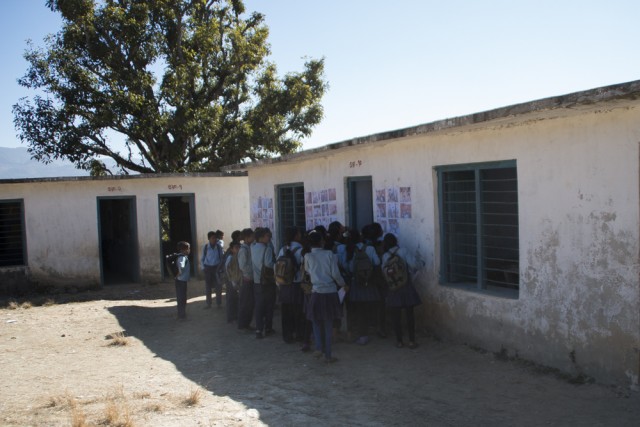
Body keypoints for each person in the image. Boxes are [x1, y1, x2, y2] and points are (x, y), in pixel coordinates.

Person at [304, 230, 347, 363]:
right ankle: (328, 354)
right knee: (328, 324)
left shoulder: (308, 256)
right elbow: (335, 273)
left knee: (316, 322)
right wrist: (343, 284)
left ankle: (318, 347)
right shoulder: (329, 254)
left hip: (316, 292)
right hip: (330, 292)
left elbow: (308, 272)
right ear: (322, 241)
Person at [381, 233, 422, 349]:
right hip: (406, 285)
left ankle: (399, 341)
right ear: (396, 241)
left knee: (396, 317)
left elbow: (383, 272)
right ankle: (412, 341)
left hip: (393, 287)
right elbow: (414, 264)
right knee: (410, 315)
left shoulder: (385, 256)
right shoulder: (403, 251)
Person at [347, 228, 382, 345]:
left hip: (357, 283)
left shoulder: (351, 249)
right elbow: (377, 263)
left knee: (360, 310)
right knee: (372, 307)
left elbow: (350, 268)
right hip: (370, 282)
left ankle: (363, 335)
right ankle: (375, 328)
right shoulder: (370, 249)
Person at [277, 226, 304, 343]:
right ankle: (299, 334)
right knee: (298, 311)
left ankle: (287, 335)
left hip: (284, 285)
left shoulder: (282, 249)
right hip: (297, 284)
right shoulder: (301, 250)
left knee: (286, 312)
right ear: (296, 236)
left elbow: (276, 267)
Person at [251, 227, 276, 339]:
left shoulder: (252, 247)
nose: (269, 237)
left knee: (259, 305)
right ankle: (268, 328)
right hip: (267, 280)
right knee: (269, 305)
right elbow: (269, 264)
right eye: (267, 236)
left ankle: (258, 329)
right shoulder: (267, 249)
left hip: (257, 280)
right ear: (261, 237)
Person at [237, 228, 255, 331]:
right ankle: (242, 325)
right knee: (245, 304)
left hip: (250, 279)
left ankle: (246, 324)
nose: (253, 238)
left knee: (249, 304)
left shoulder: (249, 247)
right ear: (247, 238)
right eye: (252, 236)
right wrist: (251, 272)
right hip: (247, 280)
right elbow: (243, 266)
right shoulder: (243, 250)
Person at [201, 231, 224, 309]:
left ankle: (218, 303)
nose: (214, 239)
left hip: (217, 268)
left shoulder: (218, 247)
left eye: (215, 238)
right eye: (212, 238)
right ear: (209, 239)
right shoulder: (205, 247)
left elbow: (221, 258)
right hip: (208, 268)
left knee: (218, 287)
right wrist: (203, 268)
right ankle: (209, 304)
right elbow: (202, 259)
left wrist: (220, 268)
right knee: (208, 287)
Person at [224, 240, 242, 323]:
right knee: (231, 299)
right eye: (236, 248)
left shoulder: (238, 257)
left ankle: (236, 316)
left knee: (236, 299)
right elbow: (228, 270)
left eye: (239, 247)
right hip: (231, 281)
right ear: (231, 249)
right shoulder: (230, 258)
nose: (238, 249)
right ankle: (231, 317)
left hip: (237, 281)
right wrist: (232, 281)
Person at [174, 241, 191, 320]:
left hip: (180, 280)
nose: (189, 250)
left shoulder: (182, 257)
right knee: (182, 298)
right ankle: (182, 315)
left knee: (180, 298)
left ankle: (181, 314)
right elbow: (181, 267)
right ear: (183, 250)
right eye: (188, 249)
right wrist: (178, 275)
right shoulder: (182, 258)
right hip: (181, 281)